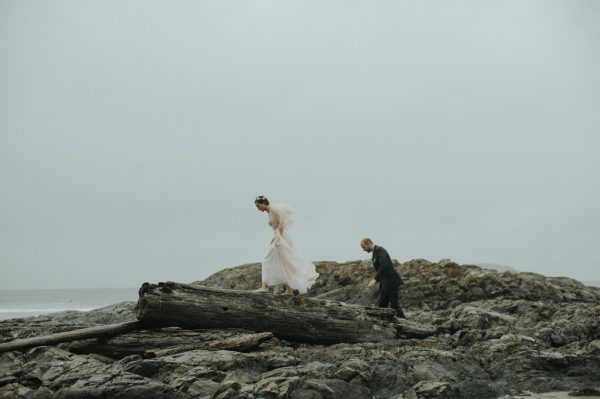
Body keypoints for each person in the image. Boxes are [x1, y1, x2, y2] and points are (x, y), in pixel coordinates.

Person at [254, 196, 319, 295]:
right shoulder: (270, 212)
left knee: (267, 259)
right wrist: (274, 238)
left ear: (263, 203)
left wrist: (278, 238)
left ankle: (265, 286)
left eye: (258, 206)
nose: (258, 209)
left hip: (281, 237)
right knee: (282, 262)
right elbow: (276, 227)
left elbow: (282, 224)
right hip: (279, 236)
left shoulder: (274, 209)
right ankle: (289, 289)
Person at [360, 238, 406, 318]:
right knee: (382, 305)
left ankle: (405, 323)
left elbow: (384, 265)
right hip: (385, 283)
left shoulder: (379, 250)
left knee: (395, 305)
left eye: (363, 247)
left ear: (368, 243)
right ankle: (382, 323)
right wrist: (378, 279)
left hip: (391, 281)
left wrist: (375, 279)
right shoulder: (374, 253)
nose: (363, 250)